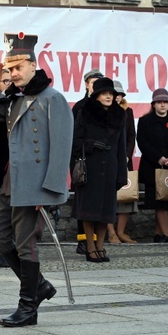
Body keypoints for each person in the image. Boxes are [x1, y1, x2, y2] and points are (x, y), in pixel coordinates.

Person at [0, 32, 73, 327]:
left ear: (33, 65)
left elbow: (61, 146)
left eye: (18, 68)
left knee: (26, 244)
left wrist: (50, 190)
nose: (13, 74)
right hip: (10, 180)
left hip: (34, 183)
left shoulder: (52, 98)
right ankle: (39, 285)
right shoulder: (14, 98)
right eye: (9, 69)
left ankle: (28, 306)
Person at [71, 77, 127, 262]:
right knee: (89, 210)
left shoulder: (120, 115)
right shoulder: (85, 112)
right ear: (96, 96)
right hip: (91, 167)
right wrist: (91, 145)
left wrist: (121, 174)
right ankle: (90, 247)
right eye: (105, 93)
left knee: (106, 211)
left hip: (110, 166)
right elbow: (74, 141)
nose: (109, 96)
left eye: (111, 93)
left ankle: (101, 247)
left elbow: (122, 147)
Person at [136, 88, 168, 243]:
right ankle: (166, 234)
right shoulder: (145, 121)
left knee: (165, 201)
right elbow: (143, 143)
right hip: (152, 167)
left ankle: (159, 233)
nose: (163, 105)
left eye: (165, 102)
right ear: (153, 104)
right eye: (159, 102)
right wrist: (158, 158)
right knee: (158, 203)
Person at [72, 69, 104, 255]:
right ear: (86, 84)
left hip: (100, 163)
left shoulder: (106, 107)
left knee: (99, 202)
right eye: (93, 83)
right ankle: (83, 241)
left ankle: (98, 243)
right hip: (81, 161)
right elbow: (74, 138)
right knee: (83, 201)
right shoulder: (80, 107)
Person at [106, 80, 138, 244]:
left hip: (124, 160)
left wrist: (126, 155)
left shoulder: (128, 111)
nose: (117, 98)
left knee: (126, 195)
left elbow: (131, 135)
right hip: (109, 159)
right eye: (114, 94)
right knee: (109, 196)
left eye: (120, 95)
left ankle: (121, 231)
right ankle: (111, 232)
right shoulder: (103, 111)